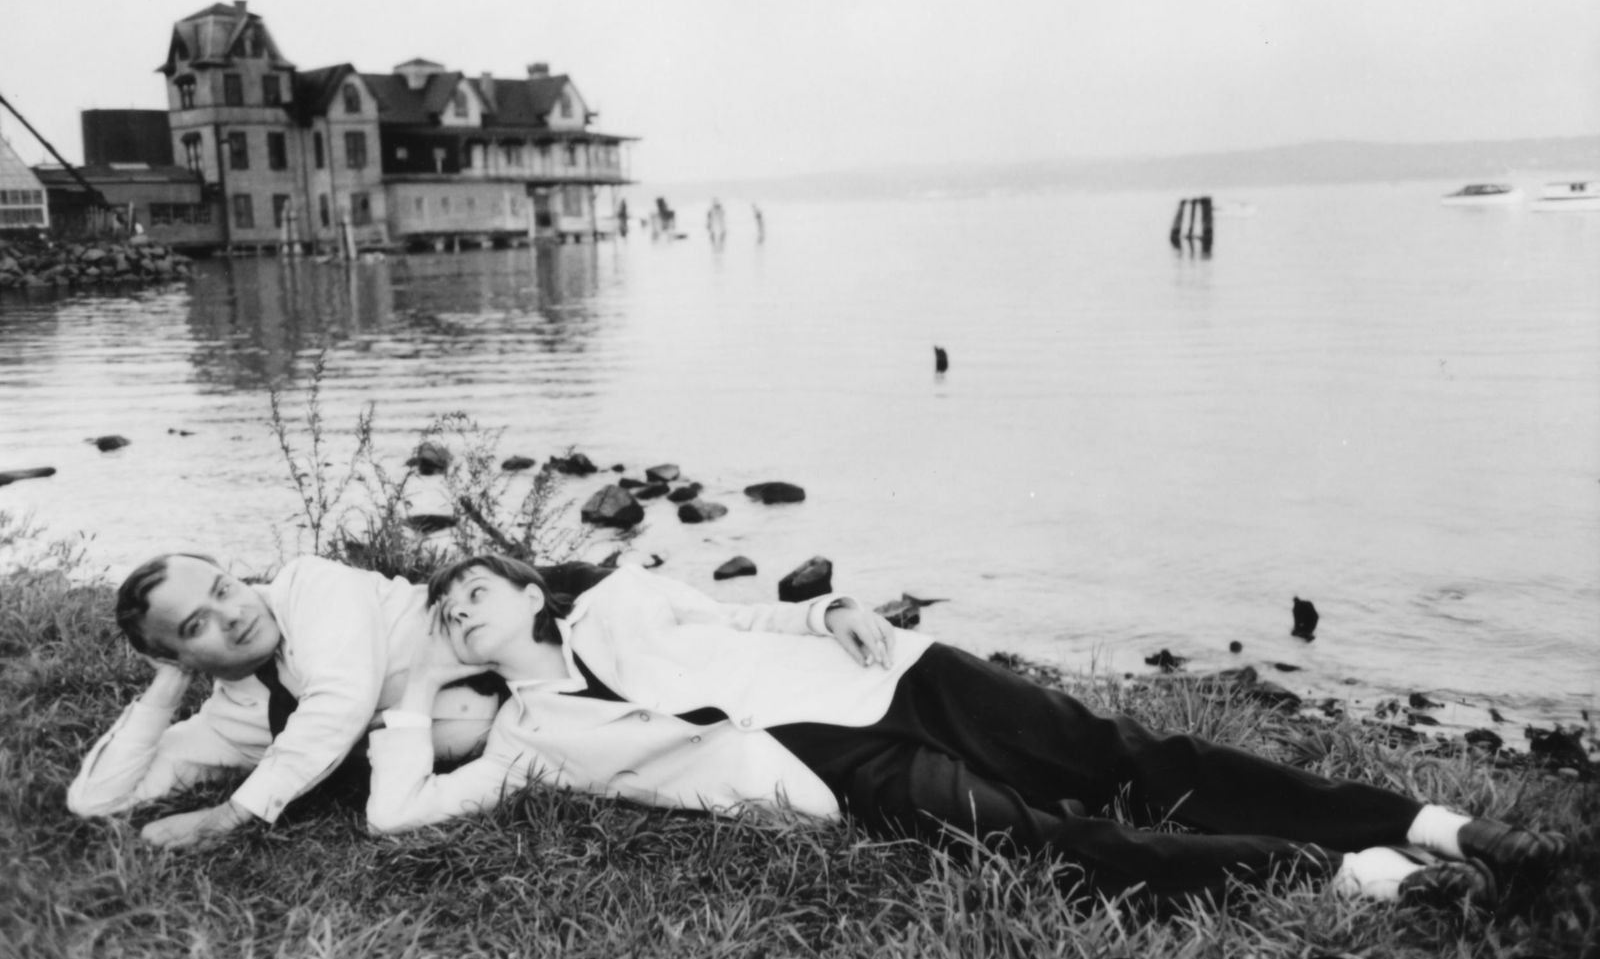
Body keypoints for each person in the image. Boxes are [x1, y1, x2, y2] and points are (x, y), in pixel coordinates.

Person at [365, 555, 1568, 908]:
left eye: (472, 588)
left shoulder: (625, 595)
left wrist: (830, 607)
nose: (458, 607)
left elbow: (745, 614)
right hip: (826, 769)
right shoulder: (529, 736)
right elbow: (393, 814)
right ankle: (1358, 874)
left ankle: (1437, 823)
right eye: (444, 609)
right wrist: (412, 690)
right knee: (1046, 841)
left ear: (528, 590)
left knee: (1128, 760)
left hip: (892, 679)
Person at [67, 553, 609, 847]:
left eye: (223, 588)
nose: (232, 614)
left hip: (574, 621)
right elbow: (97, 800)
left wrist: (235, 814)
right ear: (177, 655)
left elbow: (340, 701)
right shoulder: (229, 723)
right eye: (196, 624)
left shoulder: (311, 586)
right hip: (556, 711)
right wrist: (166, 689)